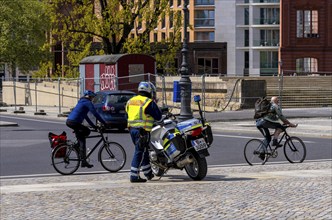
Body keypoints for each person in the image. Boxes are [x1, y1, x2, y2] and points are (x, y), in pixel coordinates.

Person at [126, 81, 162, 183]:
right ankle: (134, 176)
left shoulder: (130, 101)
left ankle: (148, 173)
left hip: (132, 130)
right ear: (149, 91)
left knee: (144, 151)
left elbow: (127, 115)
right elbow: (158, 116)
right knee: (139, 152)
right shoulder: (148, 102)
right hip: (142, 131)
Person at [66, 90, 107, 168]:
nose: (92, 99)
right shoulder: (87, 102)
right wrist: (104, 123)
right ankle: (83, 160)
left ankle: (79, 150)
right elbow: (95, 113)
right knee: (84, 136)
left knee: (85, 133)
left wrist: (94, 126)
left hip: (70, 121)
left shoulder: (82, 102)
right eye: (92, 97)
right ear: (89, 96)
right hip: (74, 122)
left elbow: (86, 117)